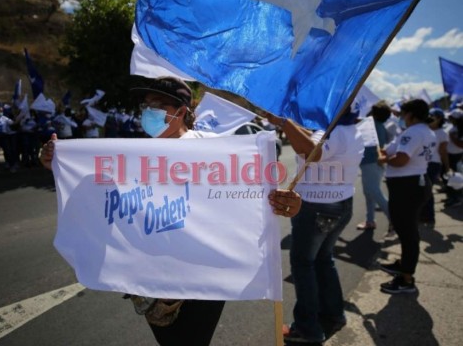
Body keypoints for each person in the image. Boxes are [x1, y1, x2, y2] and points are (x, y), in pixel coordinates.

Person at [40, 76, 301, 346]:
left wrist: (287, 203)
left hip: (205, 273)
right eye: (146, 105)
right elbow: (90, 188)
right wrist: (55, 161)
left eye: (158, 104)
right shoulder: (127, 154)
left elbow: (251, 199)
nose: (148, 111)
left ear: (182, 111)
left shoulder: (215, 149)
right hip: (152, 278)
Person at [269, 107, 364, 344]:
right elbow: (312, 139)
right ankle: (334, 314)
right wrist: (289, 124)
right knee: (323, 259)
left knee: (303, 264)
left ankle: (308, 329)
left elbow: (310, 151)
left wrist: (283, 121)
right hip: (341, 203)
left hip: (317, 207)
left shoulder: (332, 131)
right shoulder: (351, 128)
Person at [378, 99, 437, 294]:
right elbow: (394, 150)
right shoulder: (425, 131)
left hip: (408, 186)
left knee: (408, 232)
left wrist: (384, 160)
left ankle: (406, 279)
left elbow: (402, 160)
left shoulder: (414, 132)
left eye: (403, 113)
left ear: (411, 114)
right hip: (414, 184)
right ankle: (404, 265)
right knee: (407, 230)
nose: (401, 117)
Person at [356, 101, 391, 231]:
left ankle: (394, 220)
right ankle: (370, 220)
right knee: (369, 193)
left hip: (371, 163)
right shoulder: (380, 125)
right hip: (374, 163)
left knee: (374, 192)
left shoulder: (371, 125)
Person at [420, 108, 449, 226]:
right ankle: (423, 215)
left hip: (433, 164)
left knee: (427, 190)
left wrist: (447, 167)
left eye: (433, 116)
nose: (430, 118)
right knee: (421, 190)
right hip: (421, 163)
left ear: (440, 119)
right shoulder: (424, 130)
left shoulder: (442, 133)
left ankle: (429, 216)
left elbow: (443, 152)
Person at [444, 109, 463, 207]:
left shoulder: (460, 129)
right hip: (449, 155)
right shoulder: (452, 127)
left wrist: (452, 137)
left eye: (451, 117)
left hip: (456, 157)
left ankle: (457, 198)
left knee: (457, 179)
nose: (449, 119)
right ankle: (452, 197)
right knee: (450, 178)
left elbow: (461, 145)